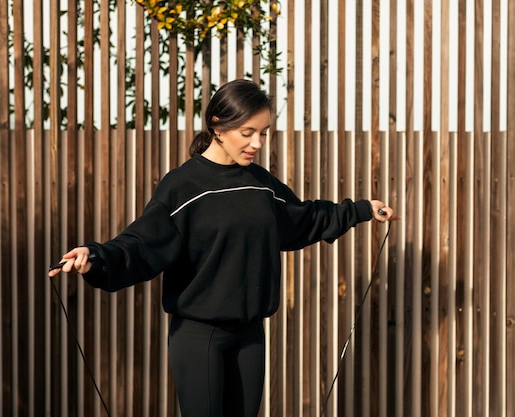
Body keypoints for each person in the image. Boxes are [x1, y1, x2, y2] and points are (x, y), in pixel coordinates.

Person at [49, 79, 398, 417]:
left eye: (263, 133)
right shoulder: (183, 185)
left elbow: (302, 218)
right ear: (218, 127)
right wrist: (95, 257)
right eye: (247, 133)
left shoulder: (261, 184)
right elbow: (142, 244)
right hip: (200, 337)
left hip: (250, 336)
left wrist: (362, 209)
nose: (257, 143)